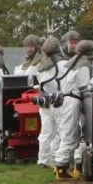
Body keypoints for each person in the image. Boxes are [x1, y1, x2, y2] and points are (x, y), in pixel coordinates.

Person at [50, 40, 93, 180]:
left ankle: (59, 167)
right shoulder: (83, 64)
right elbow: (83, 86)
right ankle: (61, 168)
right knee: (70, 135)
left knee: (66, 133)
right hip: (71, 100)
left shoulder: (70, 61)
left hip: (63, 99)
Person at [34, 37, 63, 168]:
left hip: (44, 102)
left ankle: (43, 160)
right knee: (58, 132)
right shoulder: (62, 65)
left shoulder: (40, 66)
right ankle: (54, 158)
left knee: (45, 132)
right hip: (57, 102)